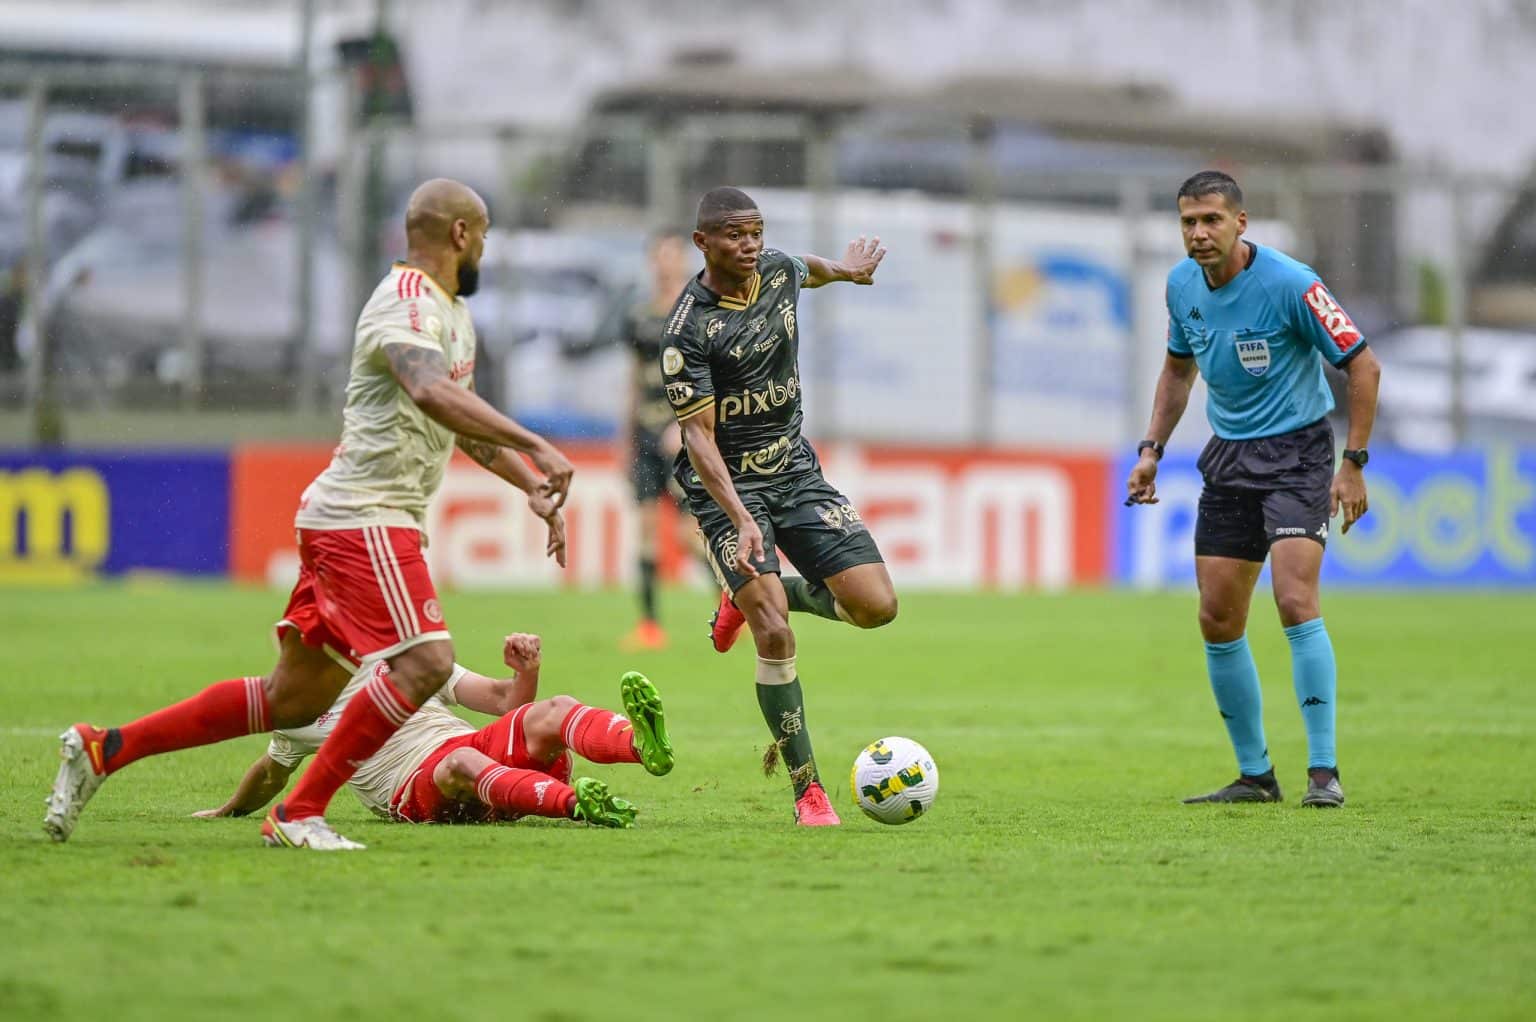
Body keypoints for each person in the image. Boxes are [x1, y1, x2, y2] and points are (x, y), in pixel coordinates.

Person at [45, 178, 577, 850]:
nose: (484, 254)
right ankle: (299, 814)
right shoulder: (405, 301)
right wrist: (534, 440)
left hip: (355, 517)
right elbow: (427, 388)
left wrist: (526, 482)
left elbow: (464, 428)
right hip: (367, 516)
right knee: (425, 664)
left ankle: (103, 749)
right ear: (462, 236)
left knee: (290, 700)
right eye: (485, 238)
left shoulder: (451, 315)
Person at [1125, 170, 1382, 808]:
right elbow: (1177, 372)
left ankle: (1324, 773)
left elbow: (1363, 365)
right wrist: (1151, 450)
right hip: (1229, 460)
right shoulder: (1181, 285)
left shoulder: (1292, 284)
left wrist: (1352, 463)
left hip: (1298, 455)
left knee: (1295, 601)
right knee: (1216, 617)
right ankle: (1255, 776)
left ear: (1241, 223)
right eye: (1188, 221)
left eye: (1211, 220)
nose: (1198, 233)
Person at [659, 186, 898, 827]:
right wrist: (739, 520)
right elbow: (698, 437)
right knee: (774, 631)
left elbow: (808, 269)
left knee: (876, 607)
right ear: (702, 242)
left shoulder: (777, 271)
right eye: (736, 235)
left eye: (757, 232)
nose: (751, 245)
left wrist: (847, 271)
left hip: (795, 471)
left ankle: (746, 593)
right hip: (728, 493)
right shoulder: (688, 331)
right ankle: (808, 791)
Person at [194, 633, 672, 829]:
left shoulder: (407, 661)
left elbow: (508, 706)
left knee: (555, 709)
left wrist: (525, 670)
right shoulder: (298, 710)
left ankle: (638, 744)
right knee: (460, 765)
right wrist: (227, 810)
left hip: (469, 750)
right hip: (414, 788)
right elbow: (272, 774)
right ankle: (579, 806)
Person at [615, 230, 702, 652]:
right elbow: (633, 379)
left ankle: (733, 604)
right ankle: (650, 625)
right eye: (661, 255)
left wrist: (687, 426)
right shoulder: (638, 316)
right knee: (646, 530)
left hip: (686, 439)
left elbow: (713, 379)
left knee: (691, 535)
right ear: (653, 261)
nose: (667, 263)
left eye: (674, 255)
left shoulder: (698, 313)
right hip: (646, 436)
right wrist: (624, 437)